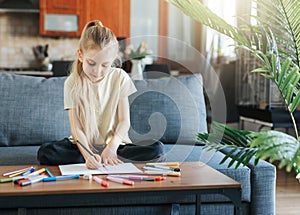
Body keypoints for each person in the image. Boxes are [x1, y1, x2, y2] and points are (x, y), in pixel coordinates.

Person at [37, 20, 165, 169]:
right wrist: (88, 156)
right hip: (84, 146)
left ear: (113, 61)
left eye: (105, 65)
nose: (97, 71)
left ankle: (109, 156)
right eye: (91, 63)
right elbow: (77, 129)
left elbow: (124, 121)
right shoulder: (72, 82)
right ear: (80, 55)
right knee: (46, 152)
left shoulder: (120, 77)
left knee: (157, 148)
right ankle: (99, 159)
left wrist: (111, 148)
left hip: (116, 145)